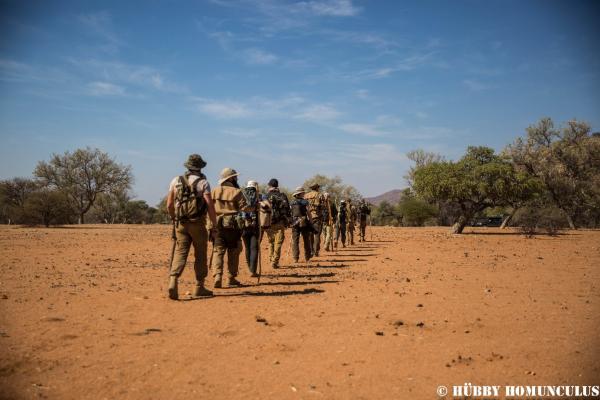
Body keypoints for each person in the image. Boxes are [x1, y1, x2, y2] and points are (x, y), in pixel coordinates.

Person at [166, 154, 217, 300]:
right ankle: (199, 287)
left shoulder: (176, 180)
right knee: (200, 254)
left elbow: (169, 204)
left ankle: (173, 280)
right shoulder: (203, 183)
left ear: (187, 166)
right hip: (197, 223)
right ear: (200, 167)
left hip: (180, 223)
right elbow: (210, 205)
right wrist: (214, 224)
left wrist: (174, 217)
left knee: (180, 252)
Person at [211, 167, 249, 288]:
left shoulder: (214, 191)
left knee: (218, 251)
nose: (237, 178)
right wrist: (255, 207)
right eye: (235, 177)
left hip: (217, 226)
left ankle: (217, 276)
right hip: (233, 226)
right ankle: (231, 278)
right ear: (231, 178)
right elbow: (245, 208)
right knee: (234, 251)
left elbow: (208, 208)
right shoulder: (237, 192)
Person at [264, 178, 291, 269]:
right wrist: (288, 220)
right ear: (277, 186)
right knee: (278, 242)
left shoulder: (266, 196)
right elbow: (287, 209)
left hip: (268, 222)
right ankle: (275, 261)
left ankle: (271, 258)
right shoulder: (282, 195)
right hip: (280, 222)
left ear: (269, 186)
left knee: (271, 242)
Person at [240, 181, 260, 277]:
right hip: (254, 225)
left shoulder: (241, 195)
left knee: (247, 248)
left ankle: (249, 268)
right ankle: (253, 270)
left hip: (243, 225)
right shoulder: (257, 196)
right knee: (254, 248)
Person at [290, 187, 312, 263]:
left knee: (295, 240)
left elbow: (291, 213)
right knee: (306, 240)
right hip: (304, 222)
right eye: (303, 193)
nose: (304, 194)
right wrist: (311, 221)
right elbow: (308, 212)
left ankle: (295, 258)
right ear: (301, 193)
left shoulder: (292, 202)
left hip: (294, 222)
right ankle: (307, 257)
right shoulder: (305, 202)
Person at [304, 183, 324, 257]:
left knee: (310, 234)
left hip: (308, 217)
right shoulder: (319, 195)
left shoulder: (306, 195)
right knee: (317, 234)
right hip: (317, 216)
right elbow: (323, 206)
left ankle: (311, 250)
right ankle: (316, 251)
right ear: (317, 188)